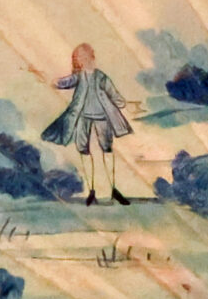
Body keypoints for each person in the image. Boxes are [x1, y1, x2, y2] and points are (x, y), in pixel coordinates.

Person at [37, 42, 135, 204]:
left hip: (102, 117)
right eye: (79, 59)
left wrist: (124, 103)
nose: (82, 61)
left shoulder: (101, 76)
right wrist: (48, 80)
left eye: (84, 57)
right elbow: (64, 82)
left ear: (90, 57)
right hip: (82, 117)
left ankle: (113, 189)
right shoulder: (79, 77)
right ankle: (92, 191)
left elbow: (114, 94)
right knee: (83, 149)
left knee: (107, 149)